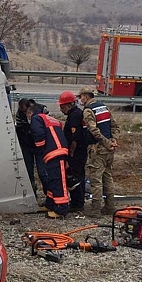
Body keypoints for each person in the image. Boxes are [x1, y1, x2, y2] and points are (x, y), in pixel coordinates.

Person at [78, 85, 120, 217]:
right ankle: (110, 207)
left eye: (80, 97)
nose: (80, 100)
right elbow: (114, 125)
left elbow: (93, 130)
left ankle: (96, 210)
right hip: (109, 149)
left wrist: (107, 143)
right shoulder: (103, 107)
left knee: (96, 180)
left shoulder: (88, 110)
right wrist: (113, 140)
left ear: (85, 96)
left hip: (98, 149)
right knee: (107, 177)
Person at [27, 105, 70, 218]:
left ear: (30, 113)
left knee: (58, 181)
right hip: (58, 150)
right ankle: (50, 204)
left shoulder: (36, 118)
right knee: (52, 180)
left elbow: (38, 134)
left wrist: (39, 147)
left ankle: (62, 209)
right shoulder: (51, 119)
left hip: (54, 152)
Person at [58, 91, 88, 213]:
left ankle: (77, 203)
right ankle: (78, 201)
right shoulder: (75, 114)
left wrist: (71, 152)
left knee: (74, 177)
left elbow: (75, 137)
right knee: (79, 176)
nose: (61, 110)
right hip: (80, 151)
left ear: (69, 105)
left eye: (62, 107)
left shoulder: (74, 116)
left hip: (77, 152)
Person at [15, 98, 49, 203]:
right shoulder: (20, 114)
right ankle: (32, 195)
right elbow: (19, 130)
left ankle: (49, 194)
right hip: (27, 146)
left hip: (40, 147)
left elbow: (48, 127)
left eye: (26, 112)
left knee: (42, 172)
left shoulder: (42, 109)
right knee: (28, 172)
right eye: (23, 112)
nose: (25, 114)